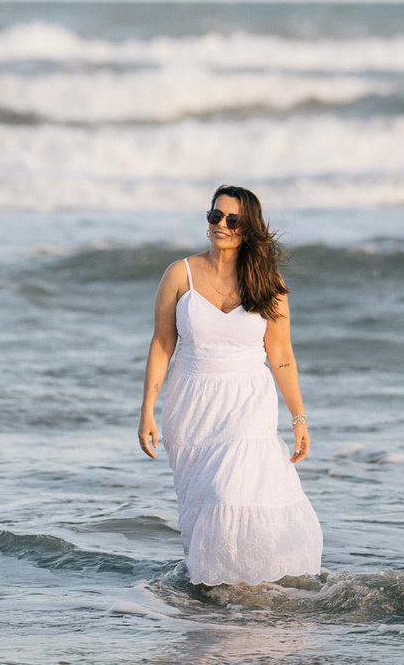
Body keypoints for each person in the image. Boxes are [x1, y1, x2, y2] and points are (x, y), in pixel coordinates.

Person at [137, 183, 323, 586]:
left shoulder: (267, 281)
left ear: (248, 228)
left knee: (232, 494)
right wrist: (147, 410)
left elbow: (281, 354)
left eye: (233, 219)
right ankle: (220, 591)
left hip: (248, 401)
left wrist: (299, 417)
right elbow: (162, 343)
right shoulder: (180, 274)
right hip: (192, 405)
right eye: (215, 215)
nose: (221, 224)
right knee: (206, 503)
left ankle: (255, 583)